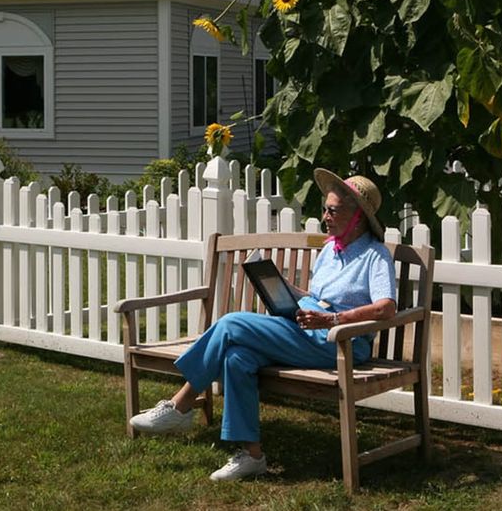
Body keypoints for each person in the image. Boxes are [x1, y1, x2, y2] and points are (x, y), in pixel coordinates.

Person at [128, 168, 398, 481]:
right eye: (324, 208)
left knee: (231, 324)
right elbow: (318, 298)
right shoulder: (330, 250)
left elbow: (386, 307)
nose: (325, 216)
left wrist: (333, 319)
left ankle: (181, 406)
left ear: (358, 218)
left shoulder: (375, 256)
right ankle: (252, 456)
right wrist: (282, 288)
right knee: (237, 358)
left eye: (332, 210)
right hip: (307, 330)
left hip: (339, 342)